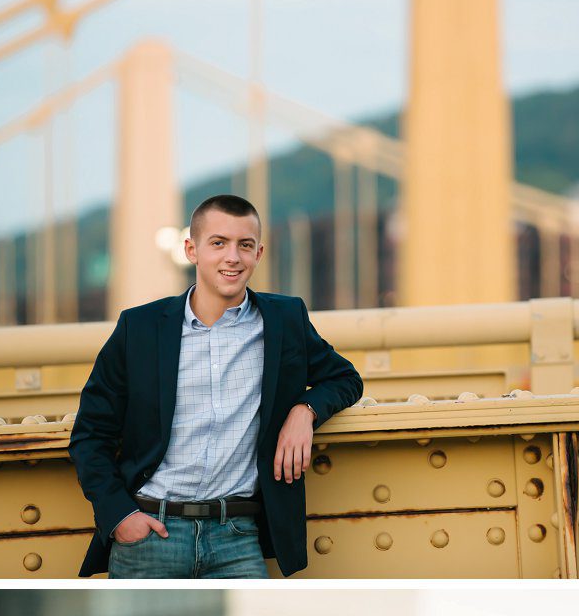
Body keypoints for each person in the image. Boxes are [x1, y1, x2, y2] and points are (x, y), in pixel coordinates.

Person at [67, 194, 363, 581]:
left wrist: (303, 411)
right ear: (191, 249)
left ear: (259, 253)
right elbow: (90, 434)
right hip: (150, 534)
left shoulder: (284, 320)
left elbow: (345, 378)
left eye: (244, 245)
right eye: (218, 243)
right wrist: (120, 517)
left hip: (237, 536)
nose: (233, 258)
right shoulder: (138, 329)